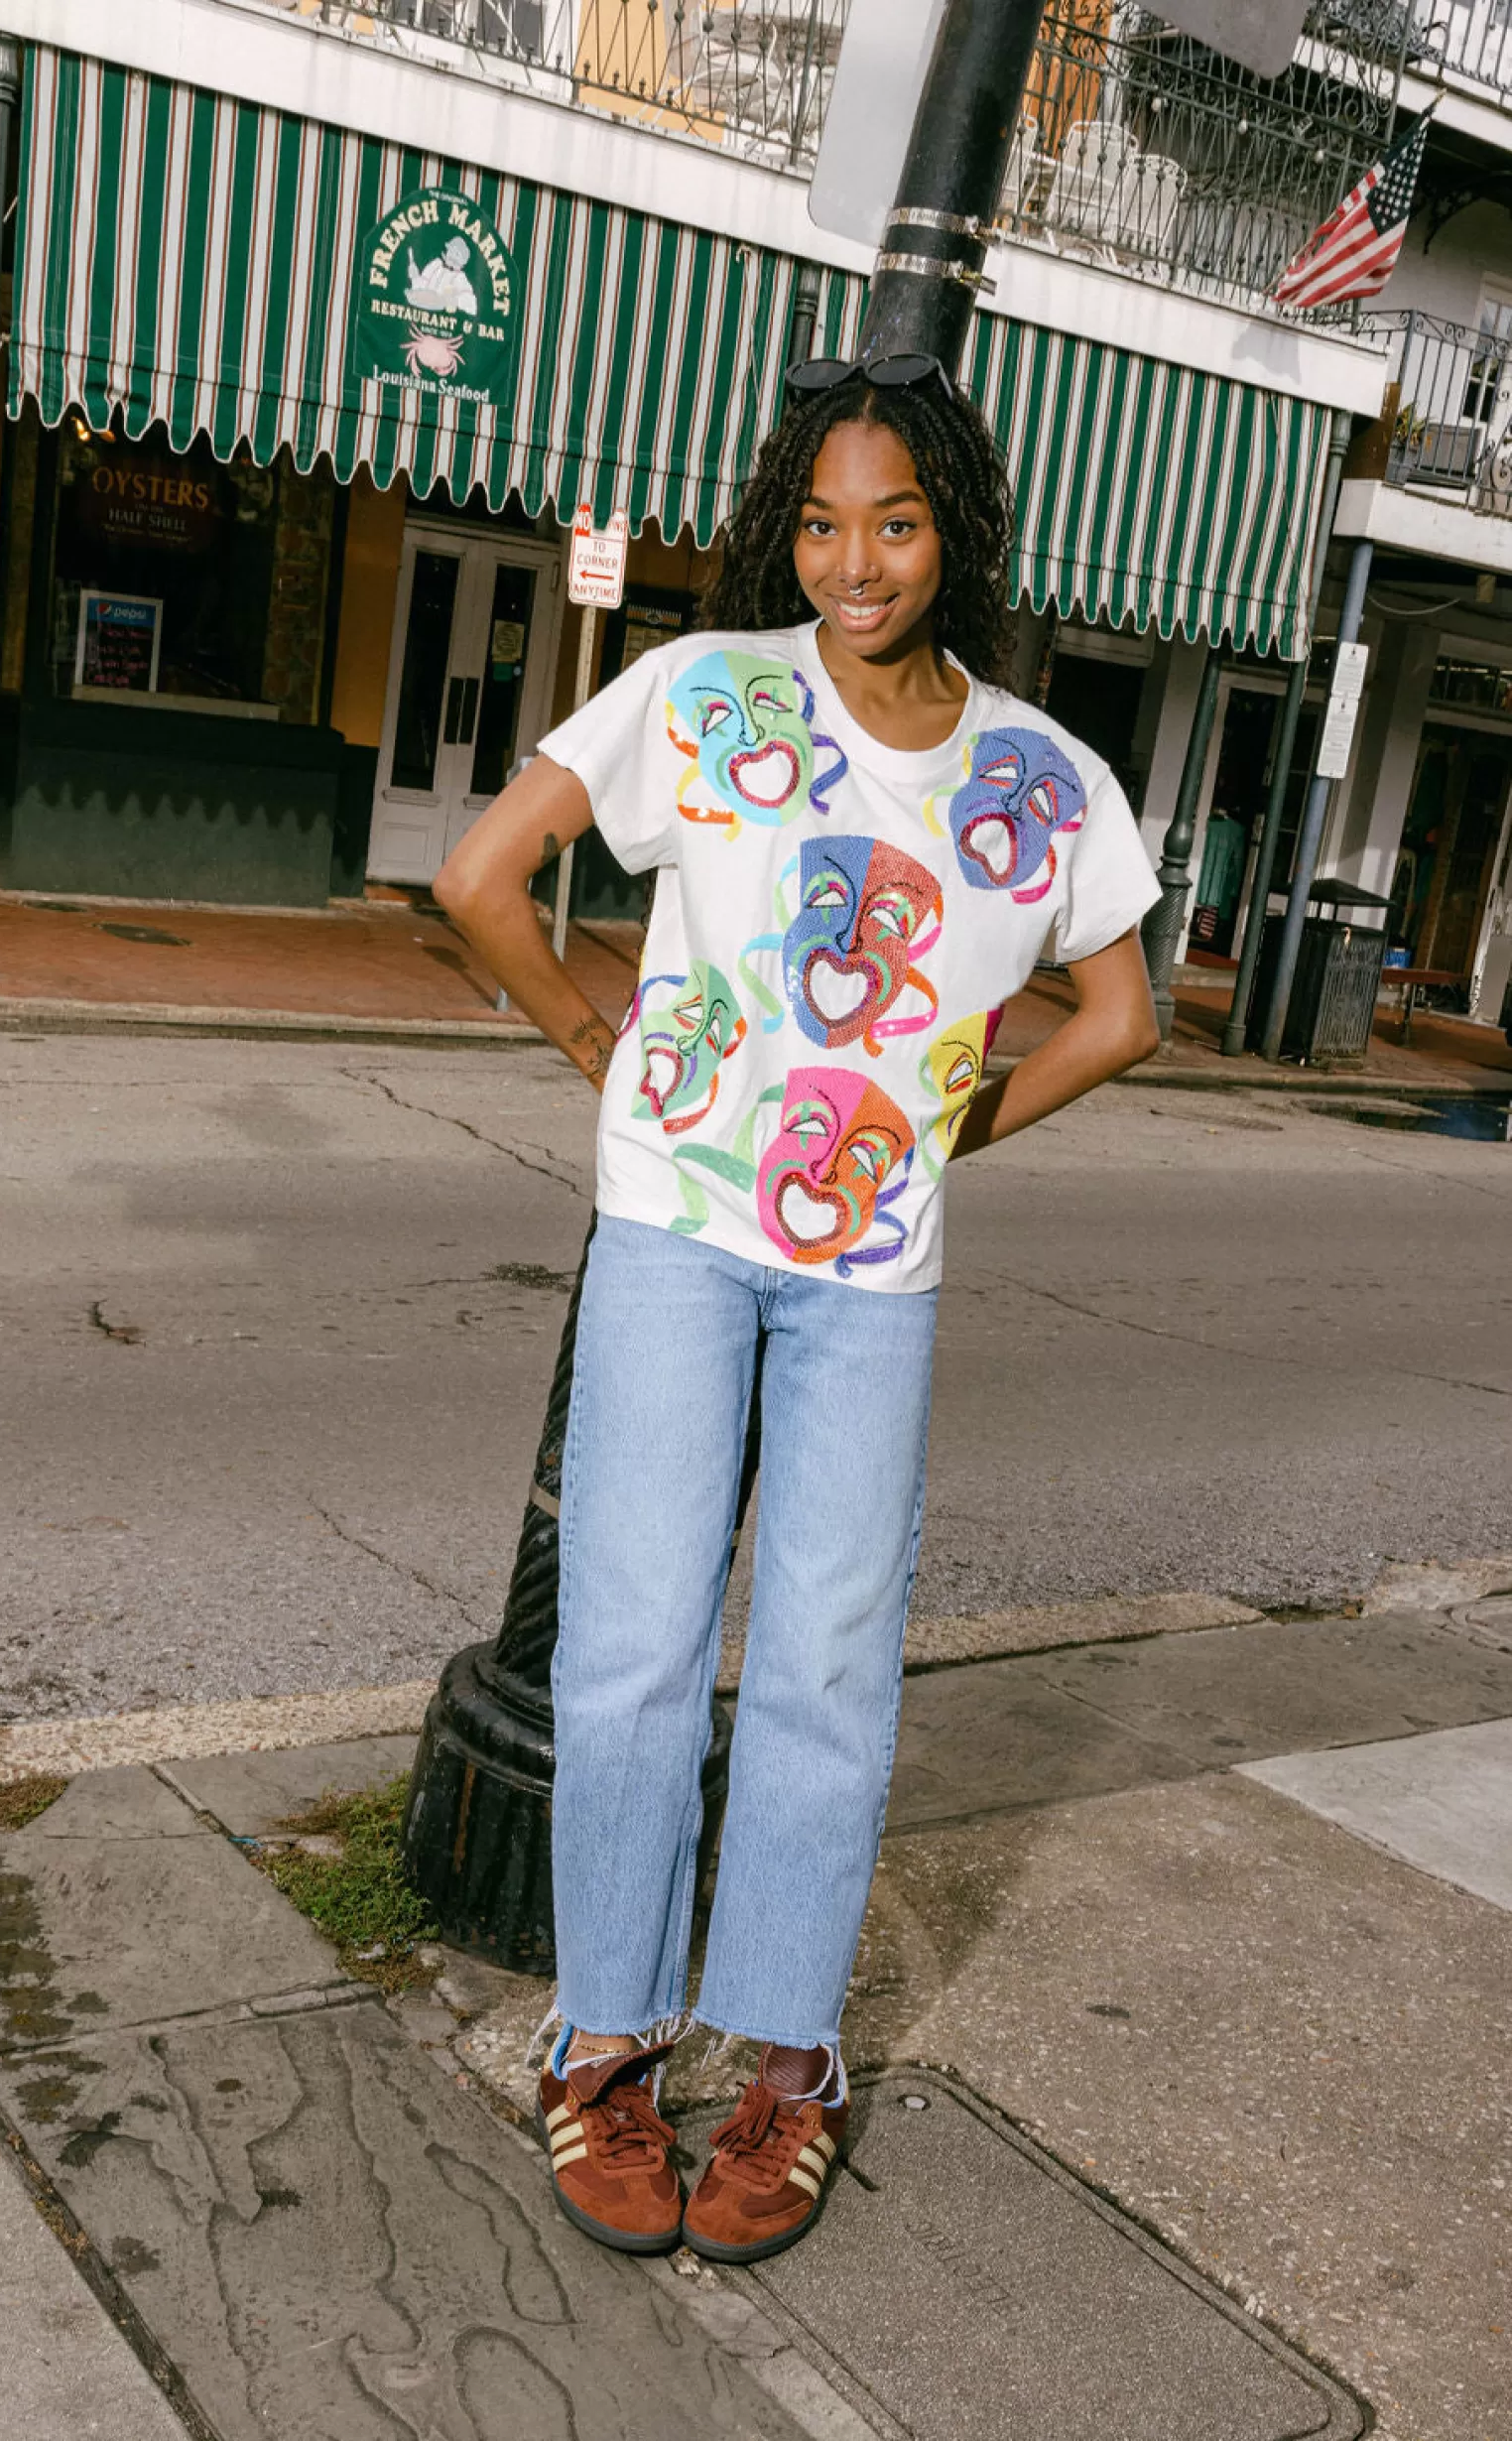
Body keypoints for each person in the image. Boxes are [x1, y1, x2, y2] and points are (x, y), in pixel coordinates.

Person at [435, 354, 1163, 2267]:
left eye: (898, 521)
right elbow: (480, 874)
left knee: (829, 1671)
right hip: (674, 1235)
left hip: (871, 1280)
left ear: (955, 532)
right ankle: (601, 2046)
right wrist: (603, 1043)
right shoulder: (703, 694)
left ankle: (784, 2072)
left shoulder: (1037, 777)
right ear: (790, 527)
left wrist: (941, 1128)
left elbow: (1124, 1012)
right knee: (631, 1651)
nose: (858, 560)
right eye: (825, 521)